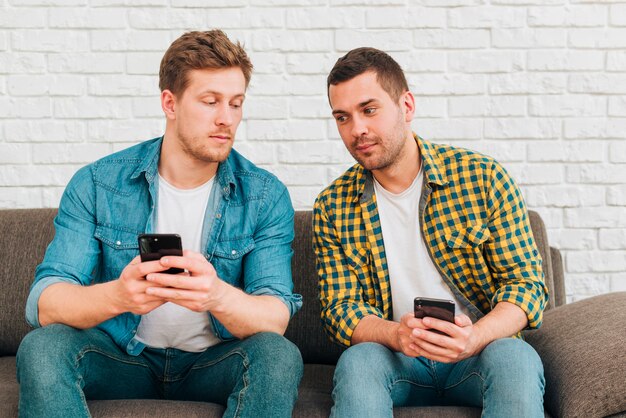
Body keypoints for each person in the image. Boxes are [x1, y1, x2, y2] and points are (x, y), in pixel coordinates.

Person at [17, 30, 303, 418]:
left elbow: (275, 316)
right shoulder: (99, 184)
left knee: (278, 355)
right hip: (121, 358)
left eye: (236, 104)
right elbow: (45, 302)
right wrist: (119, 296)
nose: (227, 119)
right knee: (41, 347)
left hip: (212, 363)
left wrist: (215, 294)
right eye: (210, 101)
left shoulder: (265, 195)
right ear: (170, 102)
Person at [313, 47, 548, 417]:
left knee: (515, 356)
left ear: (406, 106)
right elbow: (340, 309)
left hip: (479, 354)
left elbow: (527, 286)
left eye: (369, 110)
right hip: (397, 359)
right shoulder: (332, 206)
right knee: (359, 361)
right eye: (343, 117)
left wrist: (474, 338)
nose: (356, 129)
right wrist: (397, 335)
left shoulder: (482, 178)